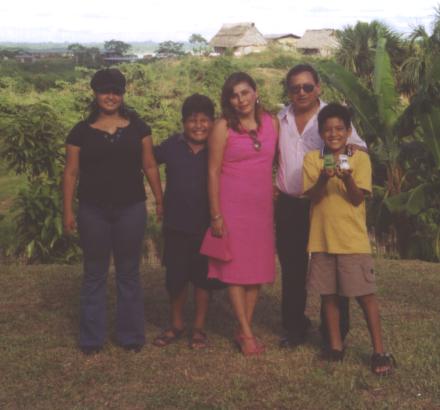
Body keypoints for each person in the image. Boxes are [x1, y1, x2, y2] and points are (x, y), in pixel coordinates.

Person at [63, 68, 163, 355]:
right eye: (105, 90)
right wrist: (67, 210)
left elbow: (150, 165)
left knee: (128, 271)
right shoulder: (80, 132)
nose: (110, 96)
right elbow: (71, 173)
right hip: (92, 210)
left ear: (123, 94)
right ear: (95, 93)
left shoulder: (138, 128)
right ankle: (91, 338)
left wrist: (159, 198)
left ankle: (130, 335)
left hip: (130, 208)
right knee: (94, 272)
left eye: (116, 91)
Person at [276, 64, 367, 348]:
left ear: (319, 88)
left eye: (307, 86)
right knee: (292, 269)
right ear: (289, 91)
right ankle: (294, 327)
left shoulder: (332, 118)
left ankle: (335, 332)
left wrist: (353, 148)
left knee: (333, 269)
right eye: (295, 88)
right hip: (291, 204)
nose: (301, 92)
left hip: (326, 203)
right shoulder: (281, 119)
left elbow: (359, 146)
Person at [303, 103, 395, 375]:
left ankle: (379, 351)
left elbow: (357, 199)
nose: (333, 134)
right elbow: (314, 197)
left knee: (365, 296)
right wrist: (323, 178)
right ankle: (335, 347)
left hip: (352, 240)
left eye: (339, 129)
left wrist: (347, 179)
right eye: (328, 129)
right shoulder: (312, 159)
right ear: (320, 132)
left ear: (348, 131)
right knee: (329, 296)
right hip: (321, 240)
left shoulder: (359, 159)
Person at [208, 72, 278, 356]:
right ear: (229, 101)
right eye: (234, 95)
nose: (241, 100)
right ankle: (247, 333)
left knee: (257, 269)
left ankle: (243, 326)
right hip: (232, 206)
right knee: (235, 270)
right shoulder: (222, 126)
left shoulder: (273, 123)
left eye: (245, 92)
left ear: (255, 91)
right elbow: (212, 171)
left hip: (261, 207)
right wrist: (215, 215)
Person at [152, 94, 225, 350]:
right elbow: (147, 160)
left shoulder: (219, 148)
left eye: (204, 120)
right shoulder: (172, 145)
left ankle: (199, 328)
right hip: (176, 226)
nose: (198, 126)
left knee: (204, 281)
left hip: (207, 227)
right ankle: (176, 324)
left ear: (213, 122)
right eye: (192, 121)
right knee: (176, 279)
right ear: (183, 123)